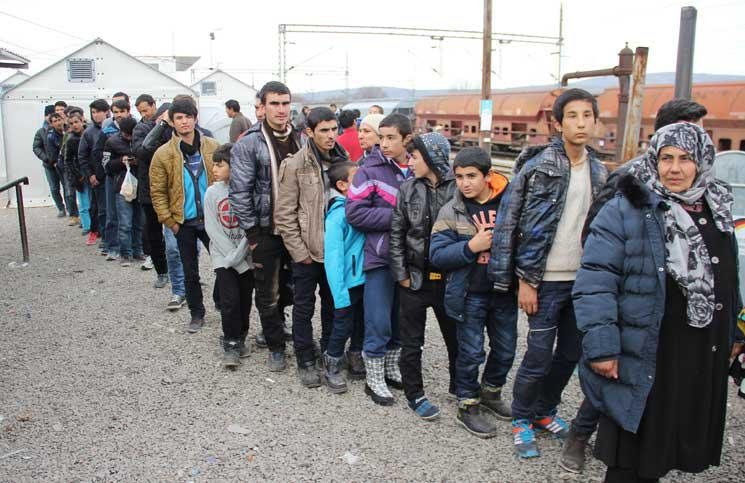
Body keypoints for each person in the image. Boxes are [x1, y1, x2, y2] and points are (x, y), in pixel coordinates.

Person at [573, 122, 742, 482]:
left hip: (696, 349)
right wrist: (602, 347)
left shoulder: (716, 207)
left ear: (702, 162)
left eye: (685, 159)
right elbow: (595, 282)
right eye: (666, 158)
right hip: (646, 350)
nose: (674, 168)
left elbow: (727, 276)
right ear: (653, 160)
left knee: (666, 443)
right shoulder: (626, 209)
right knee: (630, 452)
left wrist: (735, 332)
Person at [560, 97, 710, 474]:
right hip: (633, 301)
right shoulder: (631, 179)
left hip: (669, 317)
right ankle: (580, 435)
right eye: (690, 129)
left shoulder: (704, 194)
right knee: (616, 379)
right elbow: (597, 234)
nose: (698, 137)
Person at [488, 88, 608, 458]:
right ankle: (521, 416)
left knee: (571, 352)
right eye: (572, 116)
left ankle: (544, 409)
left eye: (587, 115)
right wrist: (522, 281)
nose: (581, 123)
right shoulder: (537, 167)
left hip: (583, 280)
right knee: (539, 354)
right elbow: (509, 223)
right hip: (544, 279)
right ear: (557, 123)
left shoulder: (599, 171)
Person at [429, 147, 515, 436]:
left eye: (471, 176)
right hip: (469, 294)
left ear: (488, 176)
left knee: (506, 349)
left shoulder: (509, 203)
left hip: (503, 292)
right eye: (459, 177)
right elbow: (437, 255)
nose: (464, 183)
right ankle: (467, 404)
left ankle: (491, 392)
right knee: (470, 352)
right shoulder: (451, 210)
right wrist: (470, 247)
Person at [275, 106, 349, 388]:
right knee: (304, 307)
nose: (331, 136)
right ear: (309, 132)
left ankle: (331, 353)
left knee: (334, 305)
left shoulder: (345, 159)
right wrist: (299, 252)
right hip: (307, 252)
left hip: (337, 252)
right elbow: (284, 214)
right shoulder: (296, 164)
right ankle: (305, 359)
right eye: (324, 130)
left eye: (334, 129)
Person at [230, 81, 301, 372]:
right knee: (267, 292)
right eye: (275, 103)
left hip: (297, 230)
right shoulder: (249, 143)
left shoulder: (301, 138)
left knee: (295, 288)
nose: (281, 110)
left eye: (285, 103)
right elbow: (240, 191)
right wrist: (252, 233)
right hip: (265, 230)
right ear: (263, 106)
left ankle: (283, 327)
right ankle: (275, 346)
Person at [389, 132, 460, 420]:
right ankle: (414, 393)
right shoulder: (407, 189)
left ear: (431, 158)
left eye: (415, 157)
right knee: (411, 342)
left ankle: (461, 387)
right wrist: (401, 274)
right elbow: (397, 234)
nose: (409, 162)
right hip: (414, 280)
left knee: (456, 338)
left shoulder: (458, 187)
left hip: (449, 280)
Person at [346, 113, 413, 405]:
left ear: (407, 139)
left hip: (411, 258)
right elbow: (355, 213)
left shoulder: (418, 168)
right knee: (378, 317)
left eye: (390, 138)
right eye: (381, 137)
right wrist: (399, 217)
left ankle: (390, 367)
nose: (383, 144)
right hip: (380, 256)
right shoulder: (368, 171)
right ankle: (373, 377)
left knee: (401, 317)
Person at [150, 99, 219, 333]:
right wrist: (170, 222)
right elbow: (158, 191)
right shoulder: (163, 154)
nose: (184, 121)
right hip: (183, 223)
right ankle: (196, 313)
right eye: (179, 117)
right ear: (172, 121)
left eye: (188, 116)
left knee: (224, 266)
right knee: (190, 272)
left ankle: (221, 300)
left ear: (195, 118)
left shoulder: (212, 147)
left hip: (212, 221)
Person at [204, 143, 254, 367]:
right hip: (222, 258)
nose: (214, 169)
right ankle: (231, 342)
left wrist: (240, 256)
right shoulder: (212, 193)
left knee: (245, 299)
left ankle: (241, 335)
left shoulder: (248, 191)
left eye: (220, 165)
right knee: (229, 300)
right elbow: (212, 228)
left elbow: (250, 228)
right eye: (213, 164)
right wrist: (232, 258)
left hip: (246, 257)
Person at [323, 161, 366, 393]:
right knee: (342, 325)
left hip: (364, 280)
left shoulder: (361, 208)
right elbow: (333, 259)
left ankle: (355, 354)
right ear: (342, 185)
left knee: (361, 322)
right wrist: (339, 294)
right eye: (357, 178)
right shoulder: (338, 216)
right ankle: (332, 362)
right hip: (346, 285)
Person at [133, 96, 169, 285]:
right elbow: (142, 151)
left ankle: (182, 274)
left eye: (145, 110)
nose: (144, 114)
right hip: (149, 189)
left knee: (180, 235)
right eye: (140, 111)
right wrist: (160, 127)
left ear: (154, 106)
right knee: (154, 233)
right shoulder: (141, 129)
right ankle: (162, 271)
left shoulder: (174, 129)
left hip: (173, 190)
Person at [94, 99, 132, 260]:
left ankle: (132, 248)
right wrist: (101, 174)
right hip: (112, 177)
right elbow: (99, 154)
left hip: (131, 176)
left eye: (122, 111)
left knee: (132, 216)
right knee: (112, 214)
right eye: (116, 112)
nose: (119, 115)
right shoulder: (107, 131)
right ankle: (112, 247)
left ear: (128, 111)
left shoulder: (135, 127)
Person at [104, 116, 142, 266]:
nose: (129, 137)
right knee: (125, 223)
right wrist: (121, 161)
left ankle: (138, 250)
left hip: (140, 184)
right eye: (127, 134)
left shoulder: (141, 139)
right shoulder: (111, 142)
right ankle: (125, 253)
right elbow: (106, 166)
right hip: (122, 186)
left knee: (139, 222)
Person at [78, 99, 110, 247]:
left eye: (98, 112)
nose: (96, 115)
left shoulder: (113, 128)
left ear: (106, 112)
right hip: (97, 177)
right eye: (93, 112)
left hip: (114, 175)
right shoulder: (88, 133)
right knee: (100, 209)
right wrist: (90, 174)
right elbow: (82, 156)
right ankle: (104, 237)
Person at [33, 105, 66, 217]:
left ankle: (71, 209)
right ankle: (61, 208)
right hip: (49, 165)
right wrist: (46, 158)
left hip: (62, 164)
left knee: (67, 187)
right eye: (47, 115)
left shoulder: (63, 129)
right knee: (54, 188)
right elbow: (36, 147)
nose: (49, 117)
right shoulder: (41, 132)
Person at [63, 114, 90, 236]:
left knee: (93, 201)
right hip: (79, 174)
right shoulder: (70, 140)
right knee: (83, 202)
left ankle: (95, 225)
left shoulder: (89, 134)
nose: (75, 125)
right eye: (71, 123)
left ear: (82, 121)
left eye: (76, 122)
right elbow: (68, 160)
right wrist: (78, 174)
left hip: (90, 171)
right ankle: (87, 225)